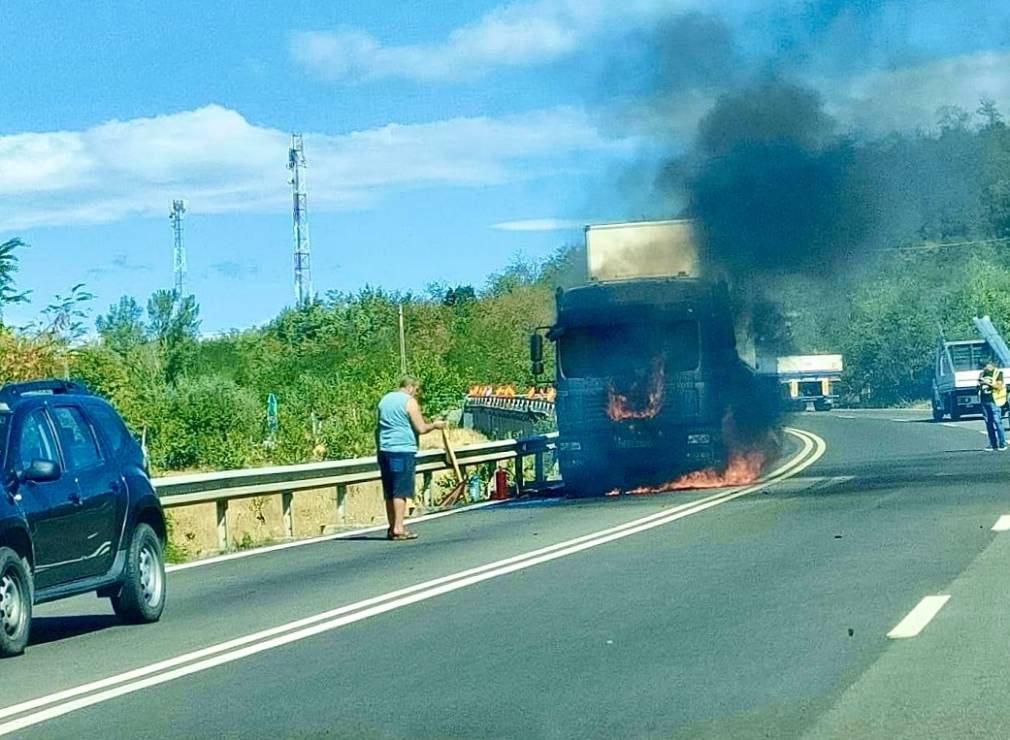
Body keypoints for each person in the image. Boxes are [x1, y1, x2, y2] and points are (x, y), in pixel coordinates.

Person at [376, 376, 445, 540]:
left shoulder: (384, 400)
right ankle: (399, 528)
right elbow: (420, 428)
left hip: (385, 449)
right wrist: (435, 425)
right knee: (401, 489)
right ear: (411, 387)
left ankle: (392, 526)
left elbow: (377, 426)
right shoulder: (409, 402)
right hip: (402, 450)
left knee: (390, 490)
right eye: (416, 390)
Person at [978, 361, 1007, 451]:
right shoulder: (982, 374)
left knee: (997, 421)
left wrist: (988, 382)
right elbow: (978, 385)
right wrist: (980, 383)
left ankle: (1002, 443)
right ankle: (993, 444)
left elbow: (999, 386)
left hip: (994, 400)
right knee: (988, 423)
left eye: (984, 366)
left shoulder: (998, 373)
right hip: (984, 400)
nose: (983, 368)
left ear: (990, 365)